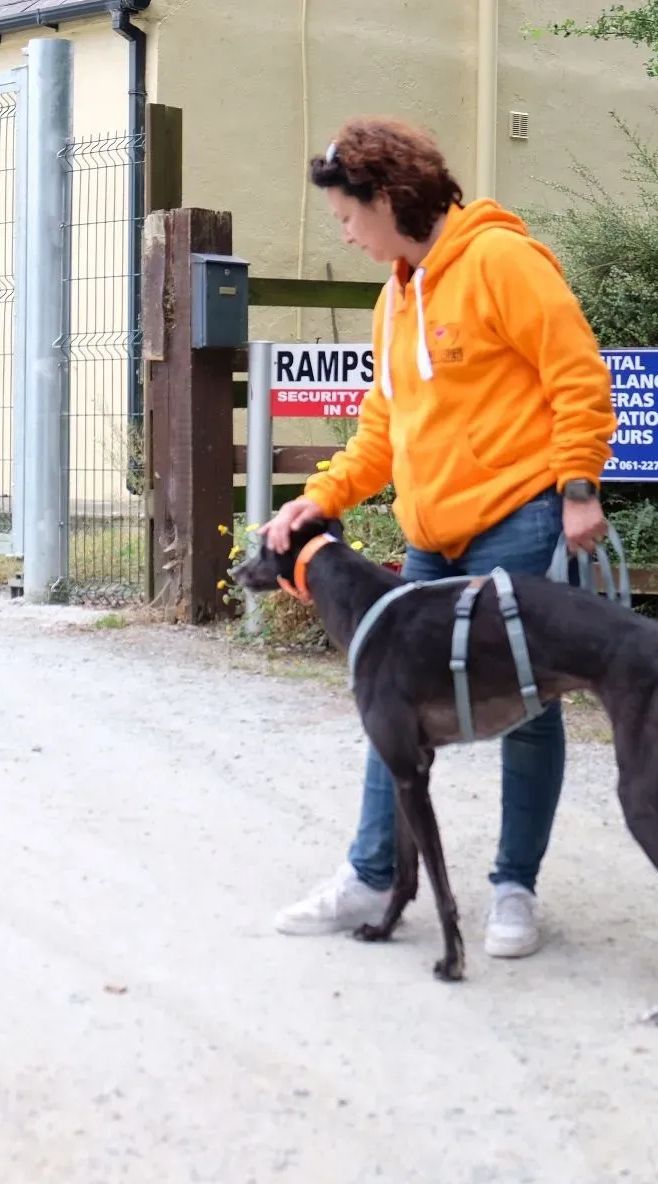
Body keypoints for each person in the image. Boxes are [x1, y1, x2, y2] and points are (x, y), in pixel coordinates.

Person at [262, 116, 617, 958]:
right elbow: (380, 433)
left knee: (525, 706)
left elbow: (578, 378)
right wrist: (318, 498)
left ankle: (514, 890)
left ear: (386, 198)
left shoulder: (501, 261)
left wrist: (577, 487)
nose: (344, 233)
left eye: (347, 215)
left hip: (520, 520)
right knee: (391, 701)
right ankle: (371, 874)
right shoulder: (395, 298)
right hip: (431, 540)